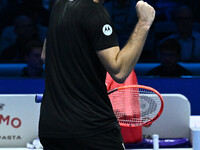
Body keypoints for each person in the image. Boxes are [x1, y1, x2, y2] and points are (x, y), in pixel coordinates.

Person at [39, 0, 155, 150]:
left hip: (52, 129)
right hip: (91, 129)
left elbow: (44, 55)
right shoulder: (94, 11)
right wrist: (144, 23)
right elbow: (119, 71)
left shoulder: (59, 7)